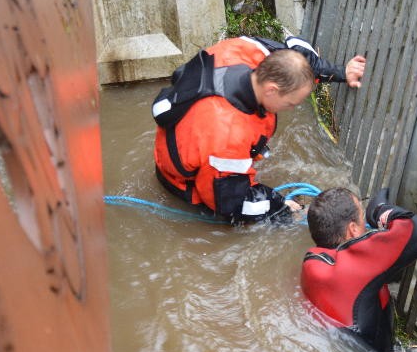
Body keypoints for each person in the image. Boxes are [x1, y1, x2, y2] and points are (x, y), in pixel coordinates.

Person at [153, 35, 365, 223]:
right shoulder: (228, 136)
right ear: (272, 90)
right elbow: (228, 203)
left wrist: (340, 73)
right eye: (291, 104)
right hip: (185, 182)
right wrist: (280, 206)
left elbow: (296, 58)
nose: (293, 108)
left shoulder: (246, 50)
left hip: (187, 135)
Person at [301, 187, 417, 352]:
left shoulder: (312, 262)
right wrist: (378, 210)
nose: (365, 222)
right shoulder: (352, 268)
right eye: (362, 216)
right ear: (352, 228)